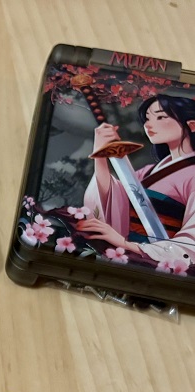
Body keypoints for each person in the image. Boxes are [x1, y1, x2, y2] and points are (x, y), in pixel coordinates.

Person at [78, 95, 195, 272]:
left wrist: (125, 244)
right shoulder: (147, 171)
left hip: (154, 262)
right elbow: (112, 201)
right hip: (127, 252)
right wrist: (100, 157)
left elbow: (192, 238)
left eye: (160, 117)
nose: (148, 125)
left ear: (192, 125)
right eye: (147, 118)